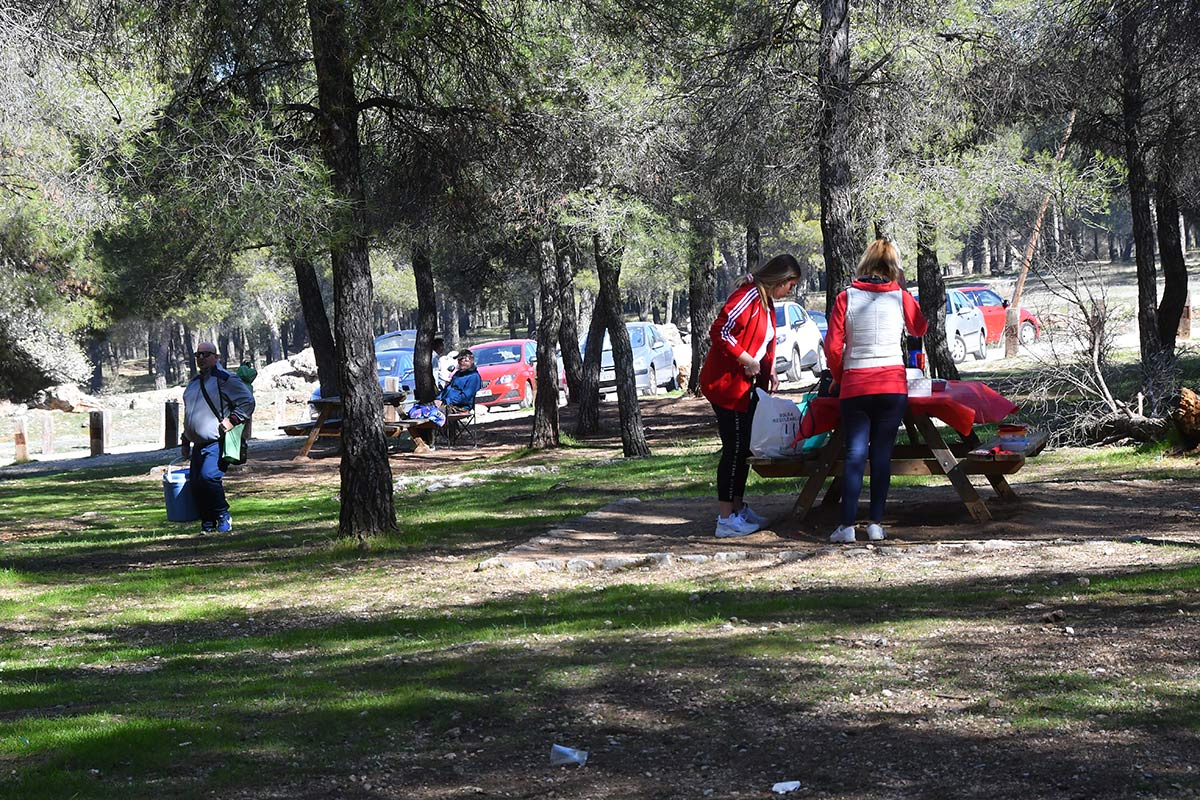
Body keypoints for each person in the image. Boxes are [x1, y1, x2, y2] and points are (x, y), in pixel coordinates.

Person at [825, 239, 928, 544]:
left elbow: (832, 346)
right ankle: (876, 523)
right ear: (895, 266)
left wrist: (837, 375)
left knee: (855, 453)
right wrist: (906, 289)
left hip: (856, 384)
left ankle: (846, 526)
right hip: (892, 385)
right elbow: (919, 328)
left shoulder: (847, 297)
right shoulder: (900, 297)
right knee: (881, 454)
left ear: (865, 263)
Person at [699, 254, 803, 538]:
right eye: (790, 285)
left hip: (747, 387)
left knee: (744, 447)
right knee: (733, 449)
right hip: (726, 385)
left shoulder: (767, 303)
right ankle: (725, 518)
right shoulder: (747, 296)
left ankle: (737, 507)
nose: (790, 291)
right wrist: (746, 359)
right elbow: (720, 331)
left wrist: (769, 372)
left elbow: (766, 344)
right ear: (779, 280)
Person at [181, 342, 255, 534]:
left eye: (206, 354)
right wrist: (185, 439)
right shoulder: (193, 383)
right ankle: (207, 522)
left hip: (217, 441)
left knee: (209, 477)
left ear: (216, 357)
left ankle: (223, 515)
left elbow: (247, 402)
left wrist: (232, 420)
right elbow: (190, 413)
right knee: (197, 483)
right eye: (198, 354)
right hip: (198, 443)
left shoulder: (225, 379)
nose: (201, 358)